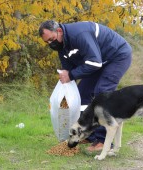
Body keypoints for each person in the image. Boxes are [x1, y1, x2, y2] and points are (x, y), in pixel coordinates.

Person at [39, 20, 132, 151]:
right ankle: (89, 134)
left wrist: (70, 75)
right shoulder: (62, 45)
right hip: (100, 61)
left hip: (117, 56)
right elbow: (68, 69)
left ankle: (103, 140)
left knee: (102, 93)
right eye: (47, 42)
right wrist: (66, 85)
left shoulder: (80, 34)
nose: (50, 43)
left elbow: (94, 63)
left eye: (51, 39)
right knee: (81, 94)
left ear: (59, 31)